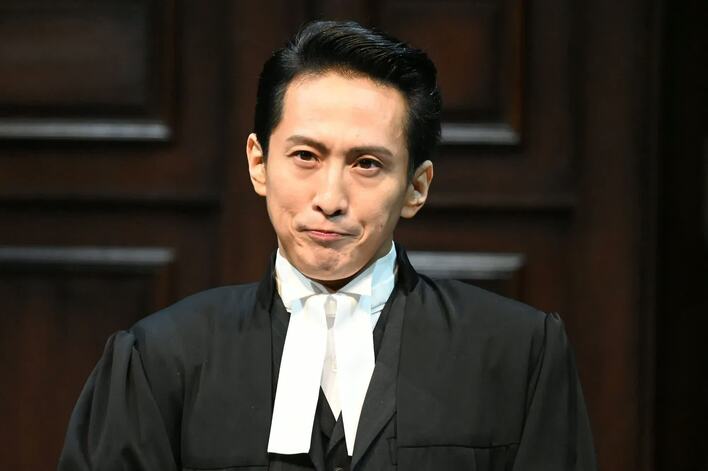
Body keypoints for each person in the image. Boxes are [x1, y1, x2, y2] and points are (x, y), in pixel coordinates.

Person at [59, 20, 596, 471]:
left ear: (416, 187)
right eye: (306, 157)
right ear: (258, 163)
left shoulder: (516, 353)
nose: (330, 199)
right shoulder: (160, 358)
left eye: (367, 164)